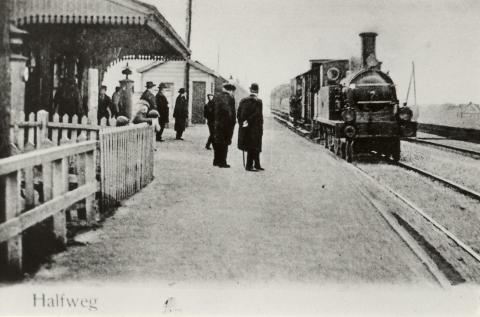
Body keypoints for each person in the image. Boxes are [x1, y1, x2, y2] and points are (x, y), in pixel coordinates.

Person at [237, 83, 264, 171]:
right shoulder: (259, 102)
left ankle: (257, 164)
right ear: (257, 91)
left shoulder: (243, 100)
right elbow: (258, 116)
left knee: (250, 146)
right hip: (256, 129)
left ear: (250, 90)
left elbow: (238, 114)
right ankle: (250, 166)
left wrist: (243, 123)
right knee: (255, 146)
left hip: (246, 128)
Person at [212, 83, 236, 168]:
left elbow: (211, 109)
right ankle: (222, 162)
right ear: (230, 90)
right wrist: (232, 122)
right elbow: (229, 111)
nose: (233, 93)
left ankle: (216, 161)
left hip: (217, 123)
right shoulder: (229, 98)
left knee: (218, 142)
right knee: (224, 143)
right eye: (233, 91)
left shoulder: (217, 96)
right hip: (226, 124)